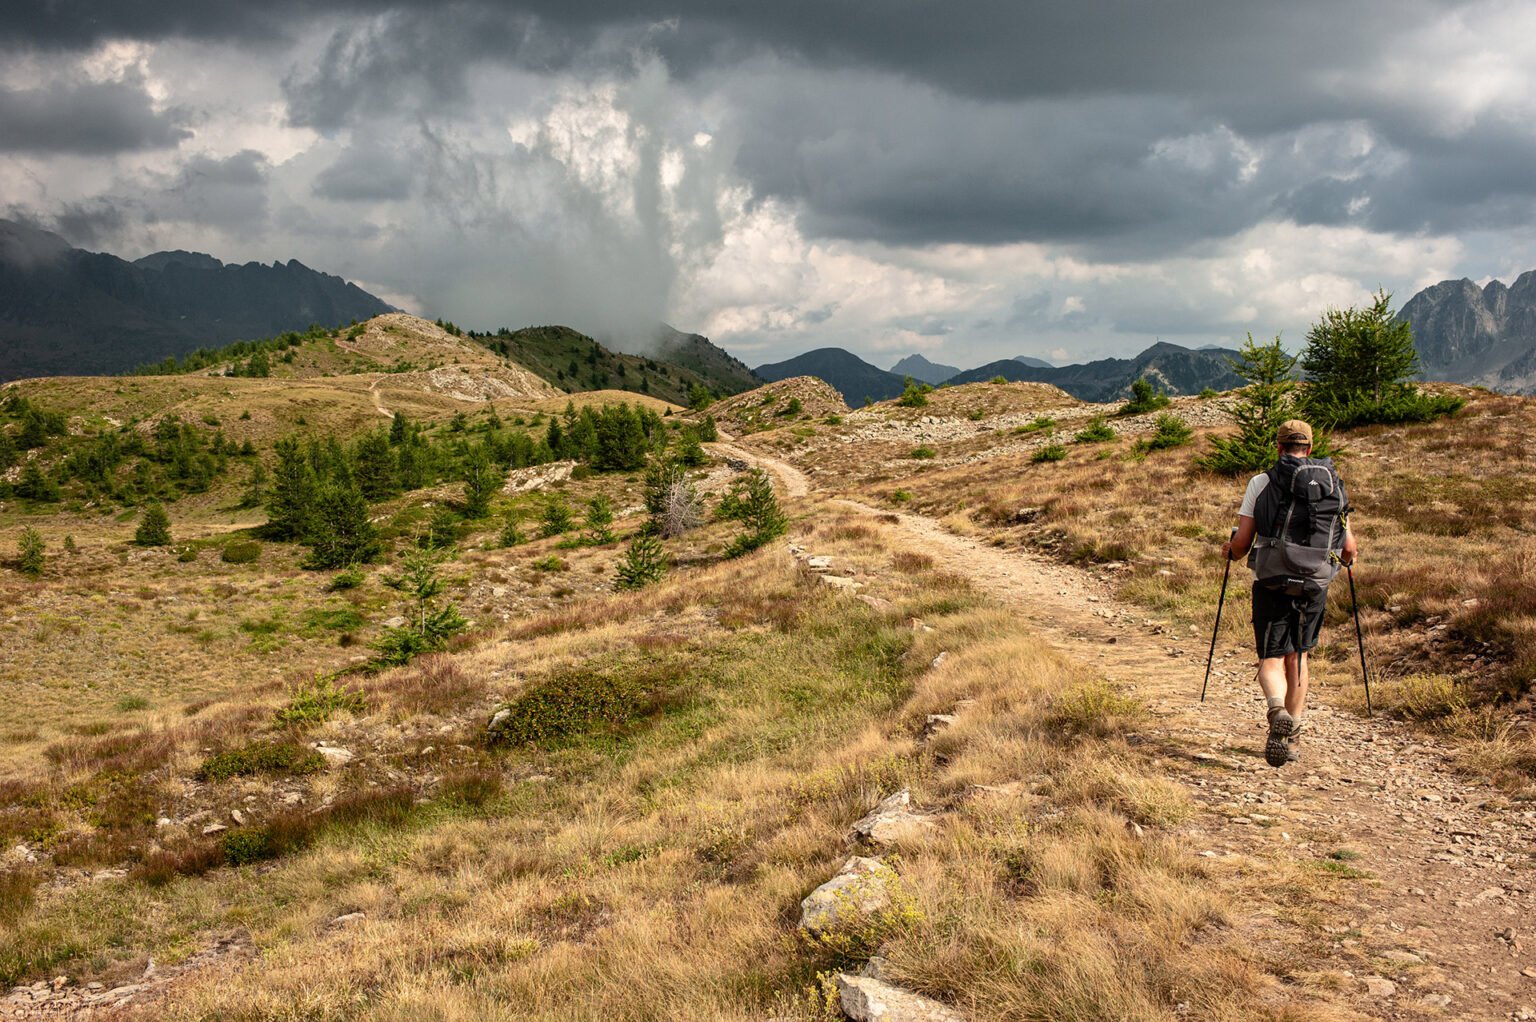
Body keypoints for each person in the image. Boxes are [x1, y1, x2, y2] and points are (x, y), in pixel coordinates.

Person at [1220, 419, 1357, 767]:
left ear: (1278, 448)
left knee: (1271, 656)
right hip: (1314, 583)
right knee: (1299, 657)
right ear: (1309, 448)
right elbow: (1349, 548)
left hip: (1272, 580)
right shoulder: (1333, 483)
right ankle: (1291, 736)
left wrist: (1231, 552)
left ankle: (1275, 709)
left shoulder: (1261, 482)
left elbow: (1242, 542)